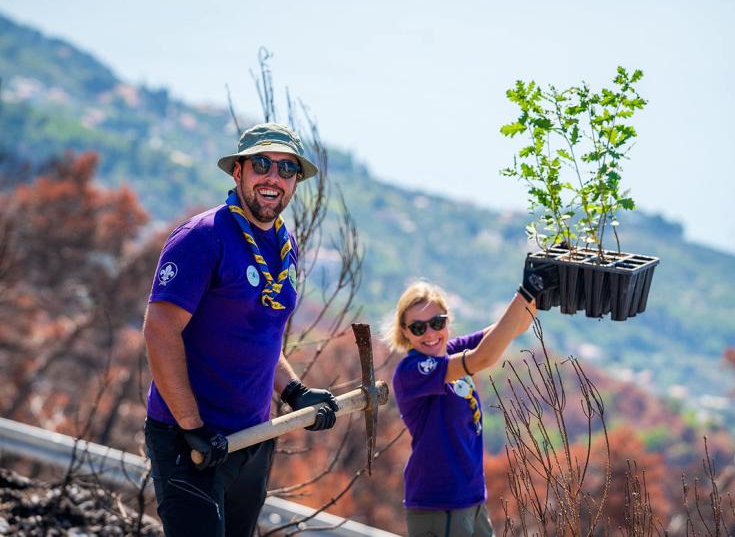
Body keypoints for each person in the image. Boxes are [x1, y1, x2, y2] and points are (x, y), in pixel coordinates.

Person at [142, 123, 340, 537]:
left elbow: (259, 335)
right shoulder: (202, 237)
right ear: (238, 172)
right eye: (262, 164)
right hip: (191, 443)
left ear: (295, 183)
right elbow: (160, 331)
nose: (274, 177)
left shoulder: (285, 246)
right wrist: (192, 427)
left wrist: (295, 391)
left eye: (287, 170)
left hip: (252, 437)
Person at [387, 263, 557, 537]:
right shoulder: (413, 371)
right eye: (418, 328)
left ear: (447, 320)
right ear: (405, 332)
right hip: (439, 506)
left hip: (471, 500)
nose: (430, 334)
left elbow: (516, 326)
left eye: (437, 323)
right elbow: (483, 357)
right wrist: (526, 291)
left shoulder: (450, 351)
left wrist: (542, 288)